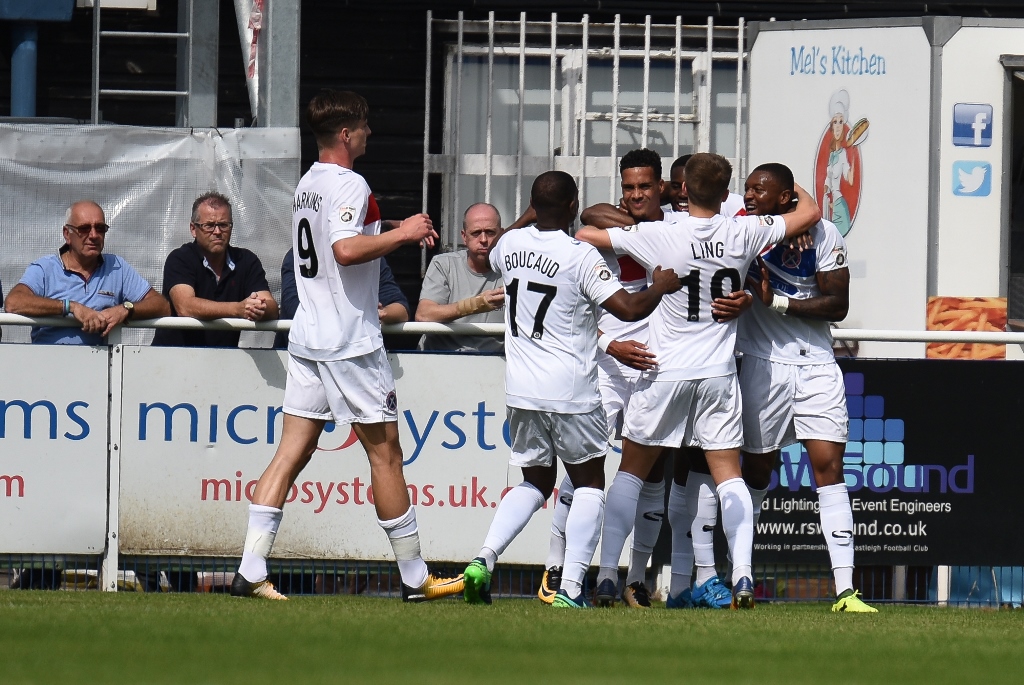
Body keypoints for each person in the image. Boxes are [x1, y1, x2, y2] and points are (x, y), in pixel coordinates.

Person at [231, 89, 461, 602]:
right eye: (363, 126)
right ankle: (414, 577)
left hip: (309, 338)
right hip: (349, 344)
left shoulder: (307, 183)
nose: (369, 134)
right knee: (387, 457)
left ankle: (249, 568)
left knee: (291, 451)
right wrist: (403, 232)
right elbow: (345, 249)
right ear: (345, 134)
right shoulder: (350, 183)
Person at [577, 153, 820, 609]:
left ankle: (608, 575)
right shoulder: (743, 231)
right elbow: (809, 212)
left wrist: (630, 230)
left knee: (631, 472)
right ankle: (743, 576)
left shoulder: (661, 234)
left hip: (663, 369)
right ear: (728, 192)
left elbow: (587, 233)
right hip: (718, 374)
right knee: (730, 478)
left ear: (682, 188)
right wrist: (792, 193)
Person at [461, 171, 681, 609]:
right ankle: (572, 589)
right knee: (589, 485)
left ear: (531, 205)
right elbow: (628, 305)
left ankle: (484, 558)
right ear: (572, 205)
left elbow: (494, 254)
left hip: (521, 390)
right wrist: (660, 285)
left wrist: (533, 211)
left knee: (536, 481)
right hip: (571, 390)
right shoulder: (579, 255)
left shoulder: (508, 246)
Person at [738, 162, 876, 613]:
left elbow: (837, 304)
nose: (750, 196)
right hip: (762, 365)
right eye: (747, 189)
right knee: (756, 473)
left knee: (828, 470)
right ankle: (740, 578)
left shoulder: (823, 236)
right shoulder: (743, 230)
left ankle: (845, 591)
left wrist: (776, 300)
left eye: (760, 190)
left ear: (785, 198)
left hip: (816, 367)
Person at [5, 200, 169, 344]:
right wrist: (71, 307)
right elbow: (14, 302)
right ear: (67, 234)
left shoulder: (117, 267)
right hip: (48, 366)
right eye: (84, 228)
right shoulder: (45, 268)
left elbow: (162, 306)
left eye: (100, 228)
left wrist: (125, 309)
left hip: (100, 368)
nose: (93, 235)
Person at [152, 192, 279, 347]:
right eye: (209, 225)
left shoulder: (246, 261)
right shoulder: (180, 259)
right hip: (174, 359)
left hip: (223, 361)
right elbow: (185, 306)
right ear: (193, 229)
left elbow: (272, 308)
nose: (217, 232)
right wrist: (238, 309)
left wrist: (257, 308)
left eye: (224, 225)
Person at [415, 203, 504, 353]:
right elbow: (424, 315)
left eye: (490, 232)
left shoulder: (514, 268)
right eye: (476, 233)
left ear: (501, 234)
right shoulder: (444, 264)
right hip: (441, 359)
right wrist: (476, 304)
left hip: (496, 363)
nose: (483, 239)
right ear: (464, 236)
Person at [274, 249, 409, 349]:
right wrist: (357, 312)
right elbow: (295, 308)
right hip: (303, 359)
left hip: (358, 361)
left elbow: (401, 310)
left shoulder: (371, 258)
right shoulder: (298, 256)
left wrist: (381, 313)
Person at [665, 154, 746, 217]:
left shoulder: (730, 207)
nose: (682, 194)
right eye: (675, 187)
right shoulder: (663, 223)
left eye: (692, 186)